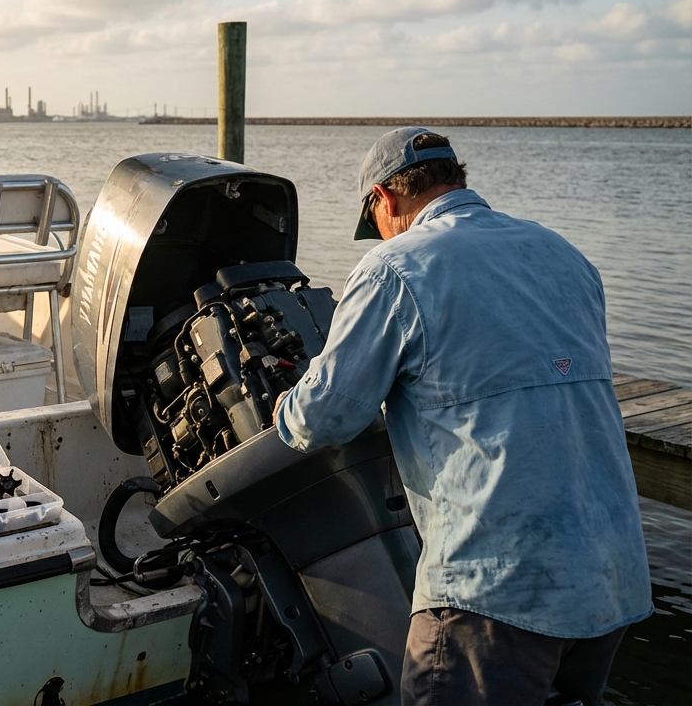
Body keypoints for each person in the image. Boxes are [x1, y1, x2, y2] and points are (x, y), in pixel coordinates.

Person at [273, 127, 652, 705]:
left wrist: (285, 401)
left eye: (375, 220)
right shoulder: (565, 255)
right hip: (611, 579)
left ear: (384, 198)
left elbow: (321, 419)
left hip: (495, 593)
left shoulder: (393, 267)